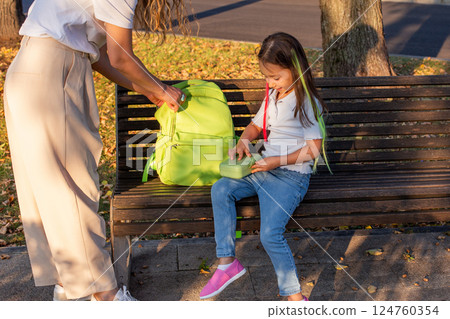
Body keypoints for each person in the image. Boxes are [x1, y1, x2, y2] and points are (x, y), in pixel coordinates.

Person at [4, 0, 189, 301]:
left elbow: (102, 55)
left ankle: (68, 285)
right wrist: (161, 89)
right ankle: (107, 296)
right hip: (54, 72)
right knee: (74, 189)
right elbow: (120, 57)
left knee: (48, 192)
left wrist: (152, 90)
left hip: (28, 69)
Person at [200, 32, 328, 301]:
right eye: (266, 76)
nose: (270, 83)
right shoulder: (272, 95)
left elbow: (314, 148)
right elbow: (257, 125)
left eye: (276, 77)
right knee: (221, 189)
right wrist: (244, 140)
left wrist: (276, 161)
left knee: (270, 235)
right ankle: (227, 263)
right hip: (262, 169)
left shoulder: (305, 102)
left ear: (295, 69)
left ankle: (296, 300)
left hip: (290, 178)